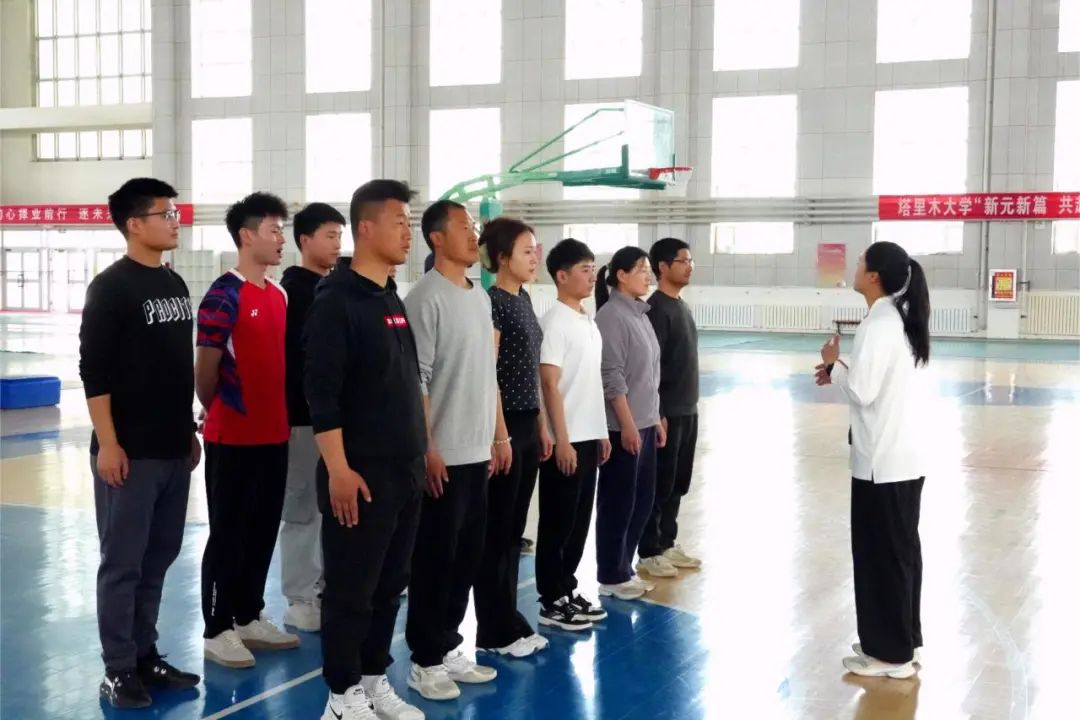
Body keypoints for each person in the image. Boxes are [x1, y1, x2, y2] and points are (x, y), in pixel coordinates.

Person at [306, 180, 426, 720]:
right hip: (359, 473)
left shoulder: (389, 296)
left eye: (409, 223)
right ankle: (341, 694)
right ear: (366, 228)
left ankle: (375, 678)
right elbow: (322, 395)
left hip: (404, 470)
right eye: (399, 222)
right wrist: (338, 469)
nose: (407, 232)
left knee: (389, 585)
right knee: (351, 588)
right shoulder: (336, 301)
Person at [81, 178, 201, 709]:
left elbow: (173, 367)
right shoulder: (110, 288)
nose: (175, 221)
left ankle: (145, 654)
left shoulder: (174, 284)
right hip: (129, 454)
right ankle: (118, 668)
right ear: (134, 224)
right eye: (165, 213)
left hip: (173, 449)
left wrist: (187, 432)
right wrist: (109, 443)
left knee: (158, 558)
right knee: (123, 564)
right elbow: (94, 372)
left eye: (174, 213)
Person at [815, 240, 931, 679]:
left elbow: (862, 391)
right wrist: (840, 369)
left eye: (862, 261)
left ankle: (889, 655)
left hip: (882, 465)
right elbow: (873, 384)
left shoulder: (879, 324)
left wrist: (834, 362)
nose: (855, 266)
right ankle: (901, 640)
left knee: (881, 558)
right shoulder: (895, 321)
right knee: (900, 555)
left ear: (875, 276)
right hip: (900, 459)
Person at [404, 200, 505, 701]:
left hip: (476, 452)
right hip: (442, 454)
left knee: (465, 559)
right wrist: (428, 447)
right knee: (434, 562)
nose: (474, 235)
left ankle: (447, 646)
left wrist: (497, 437)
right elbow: (417, 378)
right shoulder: (425, 297)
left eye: (475, 227)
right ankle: (424, 659)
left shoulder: (479, 296)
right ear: (437, 238)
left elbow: (486, 374)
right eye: (464, 227)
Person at [196, 191, 299, 668]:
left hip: (274, 435)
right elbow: (205, 371)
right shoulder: (224, 294)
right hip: (232, 438)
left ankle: (248, 615)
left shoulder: (278, 294)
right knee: (228, 533)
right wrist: (220, 411)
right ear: (246, 235)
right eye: (273, 230)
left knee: (262, 529)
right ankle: (217, 628)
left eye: (282, 231)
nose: (281, 239)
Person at [472, 217, 553, 658]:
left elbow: (530, 372)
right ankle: (493, 628)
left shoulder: (523, 299)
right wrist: (500, 435)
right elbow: (489, 374)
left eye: (535, 250)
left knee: (513, 530)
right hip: (503, 427)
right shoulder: (493, 303)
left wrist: (540, 426)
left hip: (525, 425)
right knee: (497, 532)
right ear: (502, 258)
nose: (535, 257)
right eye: (526, 251)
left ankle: (507, 618)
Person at [535, 239, 612, 630]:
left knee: (579, 521)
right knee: (558, 522)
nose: (592, 276)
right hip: (566, 439)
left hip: (588, 435)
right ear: (561, 276)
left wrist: (601, 432)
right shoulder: (554, 323)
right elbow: (549, 384)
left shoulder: (587, 320)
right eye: (584, 269)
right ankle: (551, 599)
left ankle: (567, 588)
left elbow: (590, 382)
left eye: (593, 268)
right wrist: (561, 439)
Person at [278, 202, 345, 632]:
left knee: (332, 508)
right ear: (304, 241)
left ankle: (324, 587)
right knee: (303, 509)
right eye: (329, 236)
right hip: (302, 420)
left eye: (340, 236)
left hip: (335, 421)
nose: (337, 244)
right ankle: (300, 598)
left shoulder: (335, 289)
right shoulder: (294, 293)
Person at [593, 246, 665, 601]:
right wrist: (628, 424)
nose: (647, 275)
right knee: (618, 502)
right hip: (624, 427)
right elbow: (612, 376)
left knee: (642, 500)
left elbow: (650, 373)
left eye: (648, 269)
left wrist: (655, 417)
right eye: (641, 269)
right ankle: (611, 573)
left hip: (646, 422)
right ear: (620, 275)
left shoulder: (640, 314)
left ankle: (625, 566)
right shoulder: (611, 317)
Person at [636, 237, 702, 577]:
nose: (689, 267)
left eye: (691, 261)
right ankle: (648, 550)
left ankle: (666, 541)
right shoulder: (656, 310)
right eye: (683, 261)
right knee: (659, 483)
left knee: (678, 481)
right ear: (663, 267)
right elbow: (651, 368)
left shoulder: (682, 307)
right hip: (667, 413)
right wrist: (658, 412)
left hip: (688, 409)